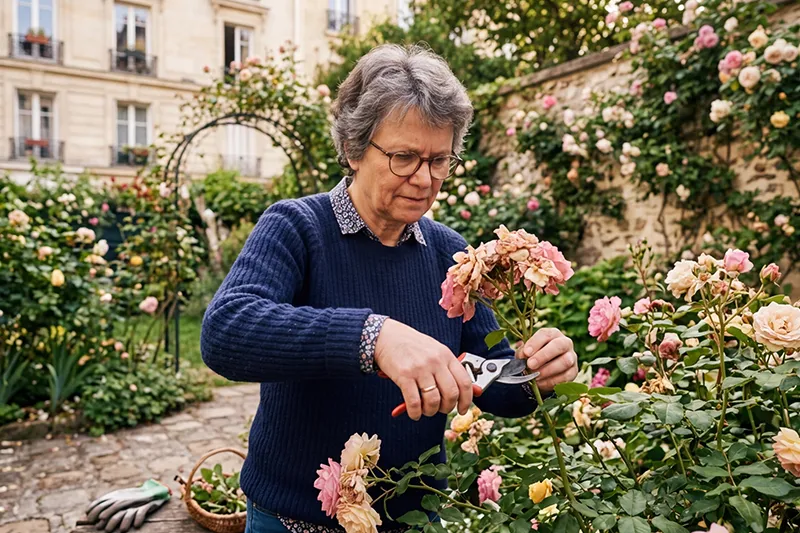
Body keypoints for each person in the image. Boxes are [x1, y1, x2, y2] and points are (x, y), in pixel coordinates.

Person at [201, 43, 579, 533]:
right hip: (294, 520)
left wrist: (536, 373)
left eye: (440, 160)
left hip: (412, 518)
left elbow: (488, 382)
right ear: (356, 148)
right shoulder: (297, 228)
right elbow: (226, 331)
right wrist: (374, 337)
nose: (424, 179)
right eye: (404, 157)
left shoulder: (448, 253)